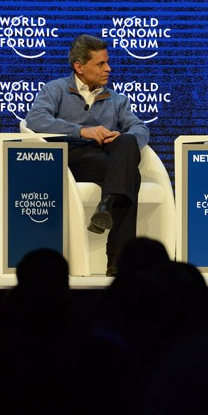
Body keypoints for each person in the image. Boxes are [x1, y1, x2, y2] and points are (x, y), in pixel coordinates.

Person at [25, 34, 150, 276]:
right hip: (69, 157)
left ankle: (107, 203)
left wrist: (117, 136)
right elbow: (36, 120)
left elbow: (140, 127)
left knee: (127, 141)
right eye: (101, 64)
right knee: (128, 176)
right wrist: (82, 131)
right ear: (79, 67)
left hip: (104, 159)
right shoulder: (56, 89)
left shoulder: (117, 99)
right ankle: (117, 261)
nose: (108, 69)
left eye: (107, 63)